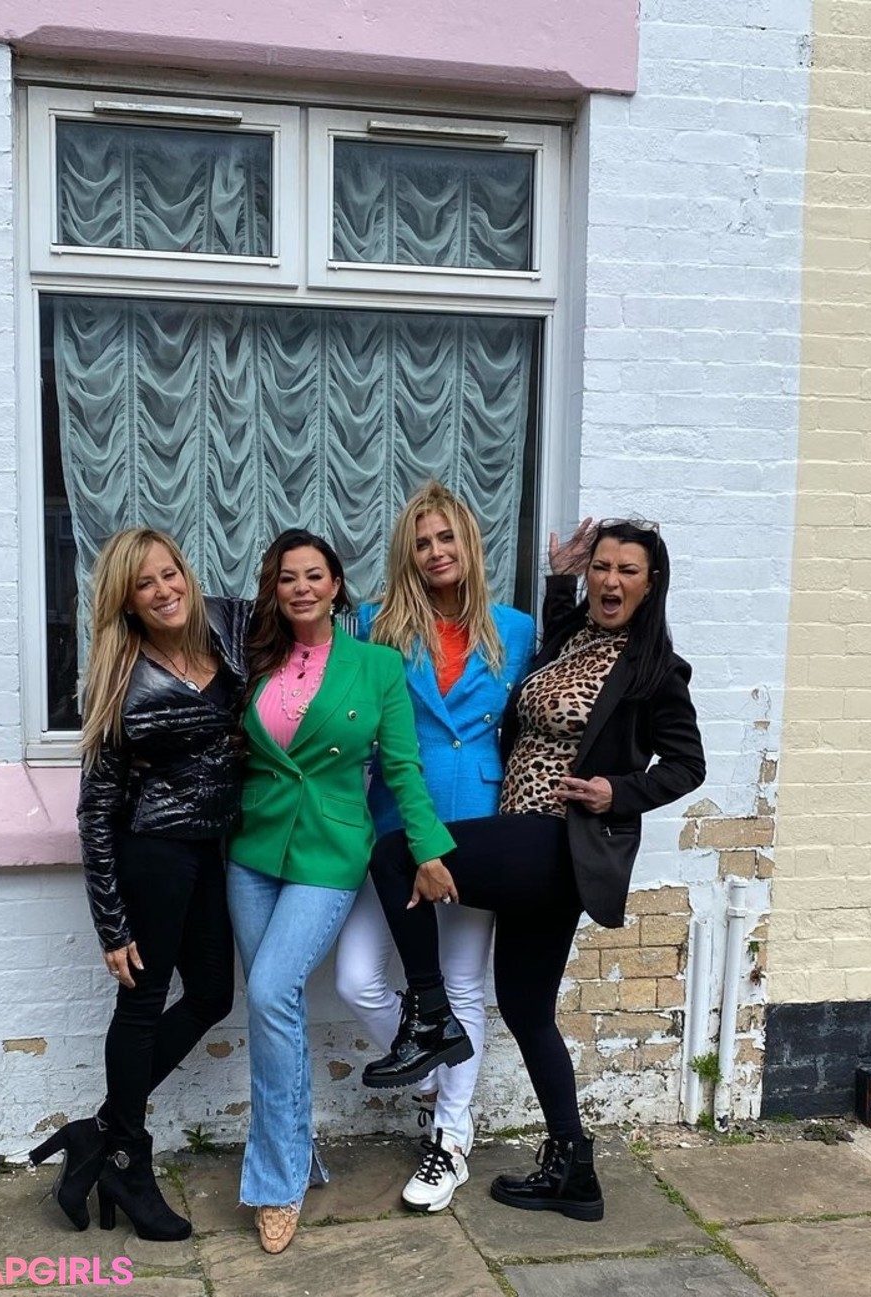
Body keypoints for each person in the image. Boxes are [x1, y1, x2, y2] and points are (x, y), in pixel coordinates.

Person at [362, 518, 706, 1222]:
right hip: (521, 834)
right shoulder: (572, 638)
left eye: (627, 571)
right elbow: (550, 642)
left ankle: (430, 1018)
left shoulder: (655, 669)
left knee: (398, 852)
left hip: (556, 840)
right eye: (602, 567)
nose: (610, 580)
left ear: (651, 584)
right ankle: (574, 1170)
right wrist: (558, 579)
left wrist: (618, 791)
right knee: (525, 1009)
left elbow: (686, 763)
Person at [225, 528, 457, 1255]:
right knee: (276, 1006)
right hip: (253, 847)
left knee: (270, 992)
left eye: (314, 575)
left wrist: (428, 848)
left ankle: (276, 1183)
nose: (301, 587)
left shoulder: (377, 664)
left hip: (328, 850)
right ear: (274, 589)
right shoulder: (252, 657)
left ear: (335, 586)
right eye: (286, 577)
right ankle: (296, 1154)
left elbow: (402, 768)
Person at [31, 527, 251, 1241]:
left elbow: (308, 608)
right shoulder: (120, 673)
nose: (163, 590)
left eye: (169, 574)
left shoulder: (228, 627)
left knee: (213, 994)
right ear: (126, 602)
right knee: (143, 1002)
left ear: (186, 572)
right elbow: (95, 806)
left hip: (210, 848)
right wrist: (111, 923)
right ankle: (128, 1156)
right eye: (144, 584)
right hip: (153, 853)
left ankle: (98, 1133)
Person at [334, 482, 536, 1212]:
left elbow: (538, 714)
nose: (435, 551)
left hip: (478, 822)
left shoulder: (515, 629)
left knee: (461, 985)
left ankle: (450, 1136)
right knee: (356, 976)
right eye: (422, 542)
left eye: (447, 537)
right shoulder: (376, 625)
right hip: (397, 824)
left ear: (469, 545)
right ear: (407, 555)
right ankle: (430, 1072)